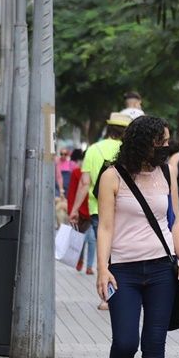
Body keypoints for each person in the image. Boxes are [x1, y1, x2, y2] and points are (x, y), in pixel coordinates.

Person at [94, 116, 179, 358]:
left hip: (162, 269)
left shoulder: (167, 172)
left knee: (155, 345)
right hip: (124, 270)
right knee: (125, 342)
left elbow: (174, 220)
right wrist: (102, 268)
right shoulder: (112, 176)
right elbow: (105, 227)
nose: (166, 147)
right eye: (160, 141)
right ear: (143, 142)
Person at [72, 113, 131, 309]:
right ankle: (124, 293)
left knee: (104, 252)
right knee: (121, 252)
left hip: (98, 209)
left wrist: (74, 209)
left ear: (108, 128)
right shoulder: (130, 151)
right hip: (126, 209)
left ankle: (107, 297)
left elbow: (84, 183)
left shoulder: (94, 150)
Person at [66, 149, 96, 274]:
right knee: (80, 239)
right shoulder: (76, 173)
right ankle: (80, 259)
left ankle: (89, 266)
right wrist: (72, 210)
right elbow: (72, 192)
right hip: (79, 212)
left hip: (91, 210)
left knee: (92, 239)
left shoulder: (96, 172)